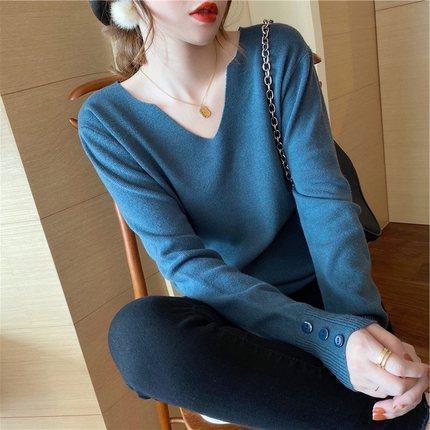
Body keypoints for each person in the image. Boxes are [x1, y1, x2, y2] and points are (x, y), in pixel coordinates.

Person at [79, 1, 430, 428]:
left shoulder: (276, 50)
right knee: (138, 337)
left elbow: (326, 203)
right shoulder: (106, 121)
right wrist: (332, 341)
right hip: (232, 311)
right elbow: (185, 264)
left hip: (322, 293)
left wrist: (359, 333)